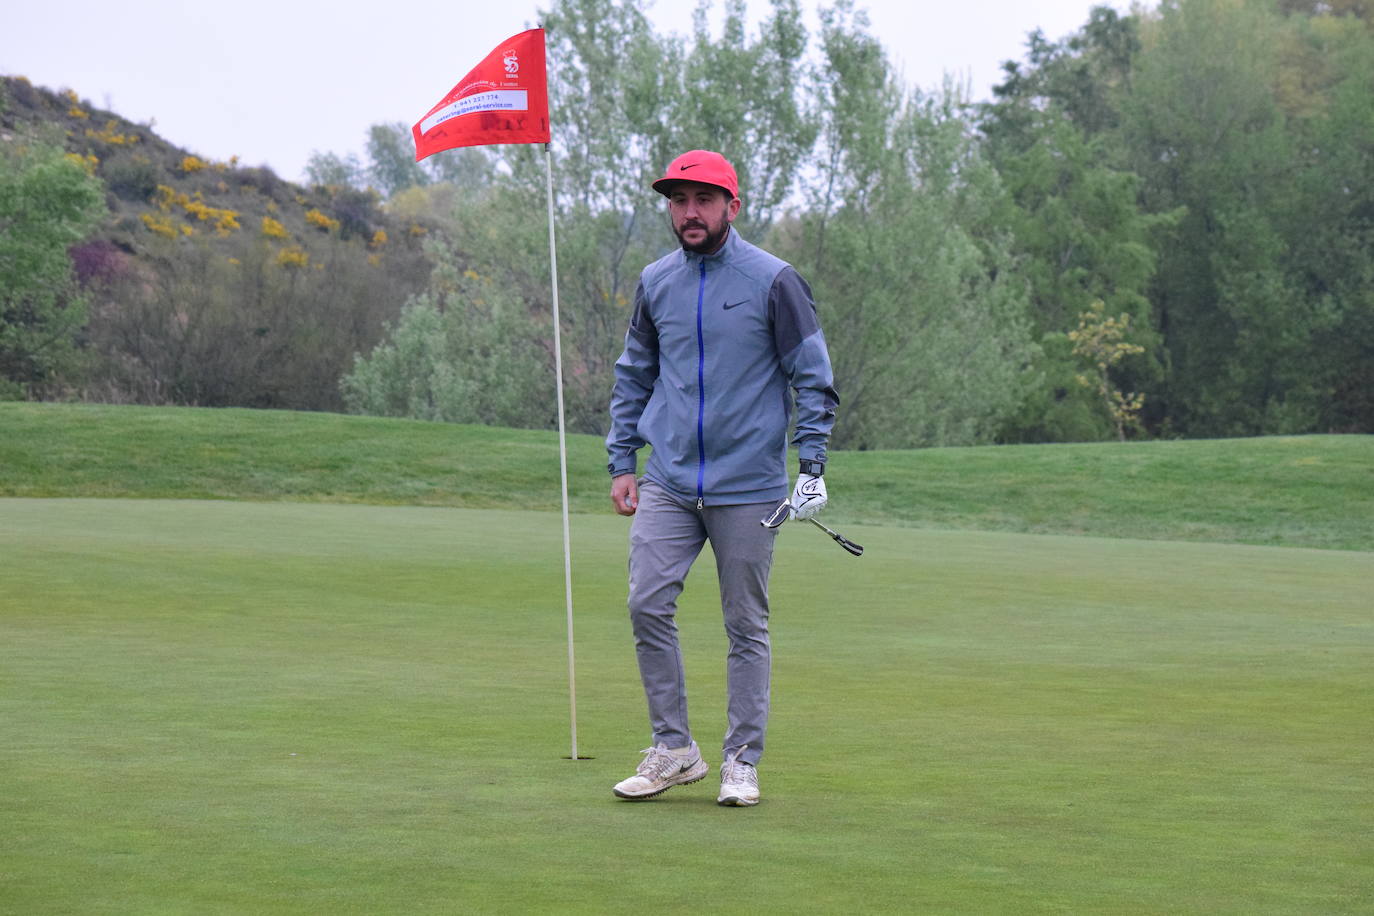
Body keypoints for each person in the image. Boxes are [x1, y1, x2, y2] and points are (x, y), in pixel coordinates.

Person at [605, 149, 839, 806]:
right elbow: (634, 376)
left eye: (703, 199)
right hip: (671, 480)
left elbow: (813, 376)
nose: (690, 212)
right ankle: (674, 749)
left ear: (732, 207)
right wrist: (623, 460)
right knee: (646, 602)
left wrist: (812, 464)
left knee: (745, 624)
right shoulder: (656, 282)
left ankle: (741, 760)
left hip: (750, 486)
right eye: (678, 200)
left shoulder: (774, 280)